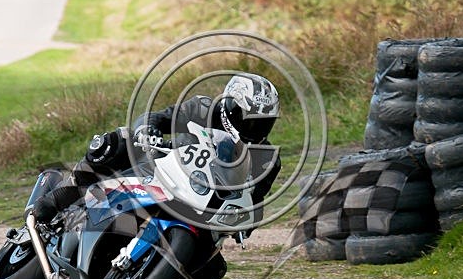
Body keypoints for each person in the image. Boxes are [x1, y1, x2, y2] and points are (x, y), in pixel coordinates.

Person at [32, 72, 281, 223]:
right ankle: (61, 195)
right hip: (163, 168)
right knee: (115, 143)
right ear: (231, 105)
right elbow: (157, 118)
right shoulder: (203, 109)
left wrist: (244, 220)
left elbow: (254, 203)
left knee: (210, 272)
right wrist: (147, 131)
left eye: (264, 123)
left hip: (202, 204)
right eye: (250, 118)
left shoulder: (267, 160)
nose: (256, 128)